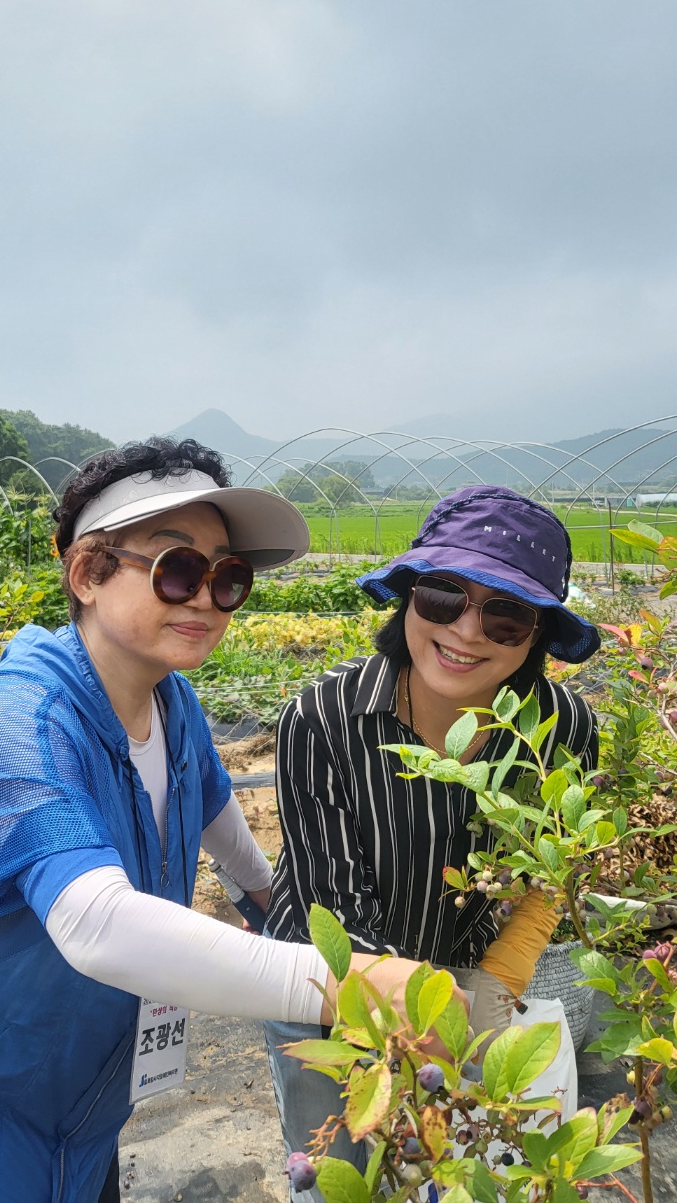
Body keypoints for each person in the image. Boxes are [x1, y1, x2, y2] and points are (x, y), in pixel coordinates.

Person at [0, 439, 432, 1203]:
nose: (206, 597)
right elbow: (96, 922)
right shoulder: (17, 722)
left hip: (69, 1074)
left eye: (228, 577)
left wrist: (273, 903)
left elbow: (215, 816)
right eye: (177, 569)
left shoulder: (171, 700)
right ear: (87, 573)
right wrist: (344, 981)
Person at [264, 486, 601, 1185]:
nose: (468, 632)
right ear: (409, 598)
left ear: (538, 633)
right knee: (342, 1176)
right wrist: (418, 1035)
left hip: (468, 988)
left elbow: (554, 868)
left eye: (506, 615)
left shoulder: (563, 731)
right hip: (325, 992)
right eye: (444, 597)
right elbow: (334, 907)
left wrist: (496, 984)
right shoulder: (325, 719)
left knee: (461, 1173)